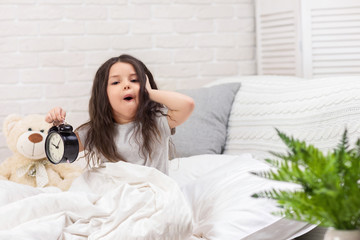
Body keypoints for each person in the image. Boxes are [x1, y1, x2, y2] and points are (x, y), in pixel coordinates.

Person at [45, 54, 194, 174]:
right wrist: (57, 127)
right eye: (116, 82)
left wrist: (150, 93)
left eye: (135, 80)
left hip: (152, 194)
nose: (126, 85)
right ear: (104, 95)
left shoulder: (157, 121)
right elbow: (60, 150)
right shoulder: (94, 131)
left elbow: (187, 105)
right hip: (115, 197)